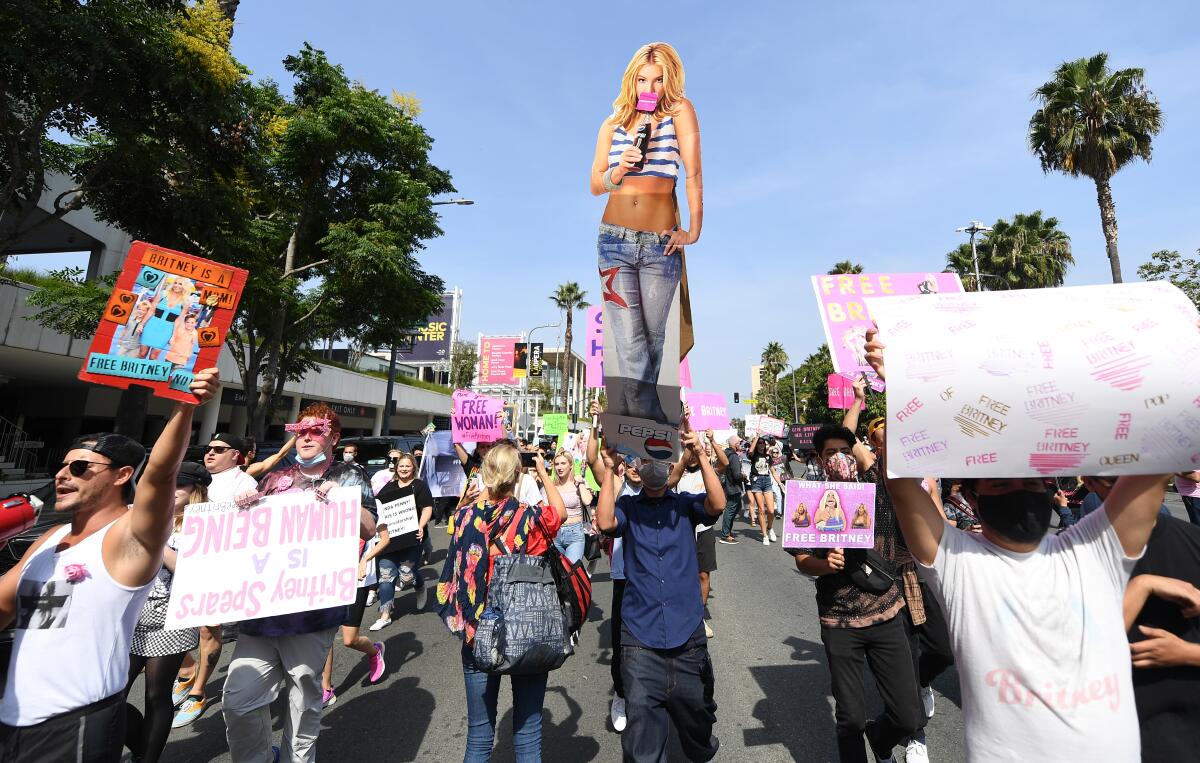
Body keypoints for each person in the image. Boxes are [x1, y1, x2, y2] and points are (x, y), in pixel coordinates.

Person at [866, 327, 1167, 761]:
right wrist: (903, 384)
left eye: (1031, 482)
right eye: (1002, 484)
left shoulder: (1094, 549)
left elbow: (1156, 456)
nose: (1021, 492)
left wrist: (1178, 361)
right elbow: (902, 486)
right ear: (972, 498)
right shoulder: (957, 562)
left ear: (1051, 488)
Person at [0, 369, 219, 762]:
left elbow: (160, 474)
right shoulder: (49, 539)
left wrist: (185, 406)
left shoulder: (129, 539)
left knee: (154, 697)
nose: (64, 475)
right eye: (64, 467)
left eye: (81, 468)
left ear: (122, 476)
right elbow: (3, 607)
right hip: (12, 717)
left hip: (74, 723)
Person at [221, 403, 377, 763]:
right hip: (261, 610)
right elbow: (245, 535)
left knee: (304, 702)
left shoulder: (349, 475)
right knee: (239, 701)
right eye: (300, 431)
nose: (306, 437)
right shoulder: (277, 478)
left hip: (311, 612)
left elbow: (369, 528)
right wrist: (244, 505)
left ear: (333, 437)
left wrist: (345, 504)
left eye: (316, 431)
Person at [791, 422, 923, 763]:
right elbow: (802, 560)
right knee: (849, 719)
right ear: (820, 461)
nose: (839, 458)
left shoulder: (876, 489)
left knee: (908, 716)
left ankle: (880, 739)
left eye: (845, 451)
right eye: (830, 453)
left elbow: (894, 454)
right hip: (839, 622)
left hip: (887, 612)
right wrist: (825, 564)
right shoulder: (806, 497)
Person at [595, 429, 724, 762]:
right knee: (642, 739)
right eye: (647, 459)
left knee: (697, 717)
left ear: (670, 467)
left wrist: (702, 455)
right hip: (640, 635)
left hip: (687, 634)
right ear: (637, 465)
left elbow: (718, 504)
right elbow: (605, 522)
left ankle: (699, 744)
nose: (653, 465)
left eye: (660, 460)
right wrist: (609, 468)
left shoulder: (684, 505)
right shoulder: (628, 507)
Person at [590, 42, 701, 423]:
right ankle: (646, 429)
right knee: (631, 343)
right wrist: (618, 170)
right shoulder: (612, 123)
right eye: (642, 79)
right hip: (613, 241)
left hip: (660, 244)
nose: (649, 87)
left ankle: (642, 433)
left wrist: (694, 229)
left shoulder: (680, 111)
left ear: (668, 80)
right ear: (631, 80)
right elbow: (595, 183)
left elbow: (693, 174)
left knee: (654, 343)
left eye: (657, 80)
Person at [436, 445, 566, 762]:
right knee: (528, 735)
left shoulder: (465, 519)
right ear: (518, 475)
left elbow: (455, 566)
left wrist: (478, 489)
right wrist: (544, 473)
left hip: (478, 629)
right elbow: (560, 513)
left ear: (484, 475)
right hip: (527, 627)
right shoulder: (530, 517)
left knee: (479, 737)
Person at [171, 432, 262, 728]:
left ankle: (198, 692)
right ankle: (188, 670)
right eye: (208, 448)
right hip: (172, 562)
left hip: (214, 569)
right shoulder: (192, 477)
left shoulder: (244, 481)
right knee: (165, 625)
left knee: (208, 631)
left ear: (235, 454)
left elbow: (250, 522)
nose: (210, 453)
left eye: (218, 449)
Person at [125, 461, 209, 763]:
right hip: (131, 617)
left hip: (171, 620)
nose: (172, 490)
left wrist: (154, 540)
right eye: (169, 483)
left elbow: (194, 572)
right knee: (109, 693)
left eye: (180, 485)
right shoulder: (145, 514)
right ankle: (139, 745)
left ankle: (147, 758)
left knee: (156, 695)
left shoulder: (202, 525)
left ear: (196, 490)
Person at [1122, 515, 1200, 761]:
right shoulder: (1072, 554)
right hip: (1125, 728)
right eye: (1111, 480)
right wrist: (1143, 585)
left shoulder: (1192, 538)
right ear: (1090, 482)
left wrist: (1187, 654)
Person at [320, 520, 390, 707]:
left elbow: (384, 539)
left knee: (350, 640)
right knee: (326, 632)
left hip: (359, 578)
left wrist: (365, 560)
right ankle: (326, 688)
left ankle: (375, 652)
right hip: (332, 575)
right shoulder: (330, 500)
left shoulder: (370, 504)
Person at [368, 453, 434, 631]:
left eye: (407, 466)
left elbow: (427, 507)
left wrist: (421, 525)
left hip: (413, 537)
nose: (404, 469)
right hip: (389, 539)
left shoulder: (419, 486)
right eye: (401, 466)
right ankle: (385, 615)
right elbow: (378, 506)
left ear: (413, 467)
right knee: (386, 575)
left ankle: (420, 586)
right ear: (396, 468)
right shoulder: (389, 486)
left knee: (407, 573)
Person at [547, 450, 593, 564]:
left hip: (575, 534)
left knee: (572, 572)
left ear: (571, 465)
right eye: (557, 464)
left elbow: (587, 500)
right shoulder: (552, 486)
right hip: (555, 534)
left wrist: (580, 483)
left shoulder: (579, 483)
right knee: (558, 574)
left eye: (563, 463)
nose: (559, 467)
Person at [139, 276, 195, 361]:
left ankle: (146, 374)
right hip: (151, 325)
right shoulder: (162, 294)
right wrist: (141, 324)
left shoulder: (185, 302)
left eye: (180, 284)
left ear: (185, 287)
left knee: (153, 357)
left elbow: (178, 320)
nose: (177, 285)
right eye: (175, 283)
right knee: (142, 353)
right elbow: (151, 311)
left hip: (167, 329)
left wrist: (173, 336)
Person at [747, 436, 781, 545]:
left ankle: (769, 528)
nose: (762, 444)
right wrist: (756, 437)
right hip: (756, 482)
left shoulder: (768, 456)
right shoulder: (753, 456)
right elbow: (750, 451)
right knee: (761, 509)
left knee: (771, 510)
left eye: (763, 443)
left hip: (766, 481)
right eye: (760, 443)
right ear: (757, 444)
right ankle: (765, 535)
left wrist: (780, 483)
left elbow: (773, 471)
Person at [717, 434, 744, 544]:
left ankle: (727, 531)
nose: (740, 445)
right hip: (733, 487)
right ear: (736, 444)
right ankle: (725, 535)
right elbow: (737, 475)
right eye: (739, 443)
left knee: (736, 507)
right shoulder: (733, 456)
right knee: (731, 509)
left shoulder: (726, 453)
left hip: (728, 485)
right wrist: (743, 476)